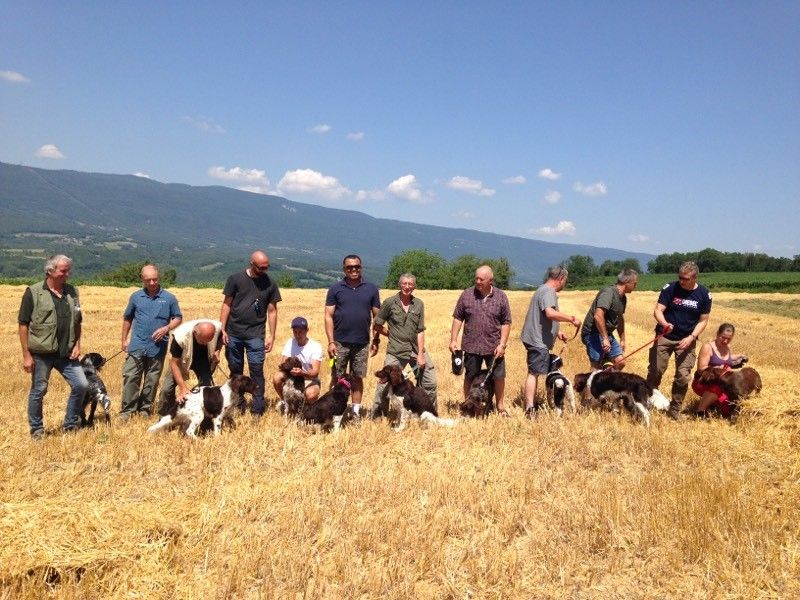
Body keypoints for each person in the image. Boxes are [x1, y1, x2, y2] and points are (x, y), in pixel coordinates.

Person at [18, 254, 88, 439]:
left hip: (67, 352)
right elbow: (23, 324)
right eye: (63, 271)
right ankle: (37, 430)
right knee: (39, 391)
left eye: (68, 270)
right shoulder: (33, 292)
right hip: (41, 353)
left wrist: (78, 345)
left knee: (81, 385)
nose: (68, 274)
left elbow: (78, 321)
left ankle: (71, 424)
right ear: (50, 271)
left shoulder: (72, 292)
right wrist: (26, 355)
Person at [646, 261, 712, 420]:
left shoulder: (704, 294)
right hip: (664, 337)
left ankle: (675, 409)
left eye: (685, 278)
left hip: (686, 341)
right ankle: (647, 399)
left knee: (683, 376)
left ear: (694, 277)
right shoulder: (670, 288)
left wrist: (691, 337)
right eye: (680, 277)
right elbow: (658, 310)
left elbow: (703, 320)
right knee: (656, 371)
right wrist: (664, 323)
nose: (681, 280)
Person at [220, 250, 281, 416]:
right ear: (252, 264)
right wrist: (222, 329)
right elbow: (226, 305)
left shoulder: (270, 283)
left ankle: (257, 409)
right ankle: (238, 405)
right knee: (235, 372)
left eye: (267, 267)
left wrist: (272, 335)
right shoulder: (235, 279)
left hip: (256, 335)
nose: (264, 271)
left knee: (257, 371)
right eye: (261, 268)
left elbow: (272, 310)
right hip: (234, 333)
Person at [119, 264, 182, 421]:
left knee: (152, 380)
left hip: (158, 347)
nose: (152, 283)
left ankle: (144, 409)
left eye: (155, 279)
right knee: (131, 377)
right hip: (137, 345)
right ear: (142, 279)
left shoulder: (169, 298)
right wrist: (124, 339)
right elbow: (128, 318)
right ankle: (127, 411)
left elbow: (178, 317)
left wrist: (167, 328)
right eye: (148, 280)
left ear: (159, 277)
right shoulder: (135, 297)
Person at [372, 273, 437, 418]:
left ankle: (428, 414)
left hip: (415, 349)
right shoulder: (389, 303)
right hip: (396, 350)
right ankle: (378, 416)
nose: (407, 287)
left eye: (410, 284)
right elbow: (377, 325)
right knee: (383, 384)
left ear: (414, 286)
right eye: (404, 283)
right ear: (399, 284)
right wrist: (390, 334)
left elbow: (420, 331)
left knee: (430, 381)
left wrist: (420, 354)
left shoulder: (419, 304)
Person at [449, 265, 512, 414]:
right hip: (471, 345)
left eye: (481, 279)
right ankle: (468, 405)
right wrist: (453, 340)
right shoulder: (466, 295)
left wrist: (502, 344)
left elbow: (506, 322)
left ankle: (500, 406)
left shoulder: (501, 297)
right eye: (476, 278)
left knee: (498, 377)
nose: (477, 281)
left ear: (491, 280)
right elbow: (458, 318)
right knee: (470, 376)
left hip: (494, 346)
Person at [520, 265, 581, 419]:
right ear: (561, 278)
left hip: (535, 337)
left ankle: (531, 405)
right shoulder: (548, 291)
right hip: (537, 340)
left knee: (535, 372)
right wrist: (571, 319)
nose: (565, 284)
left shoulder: (542, 289)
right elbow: (550, 313)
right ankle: (530, 409)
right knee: (533, 373)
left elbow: (541, 317)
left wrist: (557, 332)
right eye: (565, 281)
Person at [324, 254, 381, 418]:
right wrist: (330, 342)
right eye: (350, 267)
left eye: (356, 266)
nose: (353, 269)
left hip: (362, 343)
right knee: (337, 377)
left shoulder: (371, 289)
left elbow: (378, 317)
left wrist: (376, 339)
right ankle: (334, 411)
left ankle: (355, 413)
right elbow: (328, 315)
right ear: (344, 269)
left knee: (357, 379)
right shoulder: (335, 289)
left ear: (360, 267)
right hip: (339, 342)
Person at [157, 319, 223, 410]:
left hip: (202, 361)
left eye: (208, 341)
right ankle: (165, 415)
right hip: (182, 361)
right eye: (203, 341)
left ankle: (204, 414)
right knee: (166, 389)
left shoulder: (217, 328)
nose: (205, 344)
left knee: (207, 388)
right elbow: (174, 363)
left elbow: (221, 337)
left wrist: (217, 350)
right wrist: (183, 388)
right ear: (194, 332)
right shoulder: (180, 336)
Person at [580, 268, 638, 370]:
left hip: (606, 334)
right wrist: (605, 338)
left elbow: (620, 318)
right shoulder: (608, 293)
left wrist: (622, 339)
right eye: (634, 283)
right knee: (596, 367)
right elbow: (598, 316)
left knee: (620, 362)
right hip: (592, 333)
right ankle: (594, 383)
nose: (636, 286)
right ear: (627, 282)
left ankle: (607, 381)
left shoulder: (623, 298)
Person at [691, 323, 747, 418]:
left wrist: (738, 357)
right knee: (716, 389)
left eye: (729, 339)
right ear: (717, 334)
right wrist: (717, 369)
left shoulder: (727, 347)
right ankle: (699, 412)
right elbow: (701, 369)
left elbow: (726, 358)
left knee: (727, 408)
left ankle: (713, 404)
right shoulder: (707, 347)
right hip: (704, 382)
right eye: (723, 337)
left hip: (723, 383)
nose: (725, 341)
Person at [272, 316, 324, 404]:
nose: (297, 335)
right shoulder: (290, 343)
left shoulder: (316, 346)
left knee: (311, 394)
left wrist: (301, 373)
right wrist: (291, 371)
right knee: (277, 377)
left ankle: (305, 407)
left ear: (307, 330)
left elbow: (315, 373)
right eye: (295, 332)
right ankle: (286, 402)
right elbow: (283, 364)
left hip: (308, 378)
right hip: (291, 376)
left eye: (300, 332)